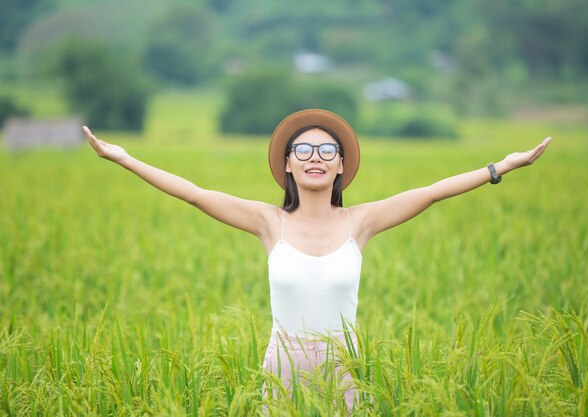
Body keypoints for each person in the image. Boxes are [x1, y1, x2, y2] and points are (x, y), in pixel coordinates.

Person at [83, 108, 551, 410]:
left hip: (343, 368)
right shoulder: (269, 222)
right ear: (287, 163)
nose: (315, 158)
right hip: (280, 368)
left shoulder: (360, 222)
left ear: (341, 165)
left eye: (328, 151)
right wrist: (124, 158)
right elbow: (194, 193)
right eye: (302, 150)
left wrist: (500, 167)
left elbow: (429, 193)